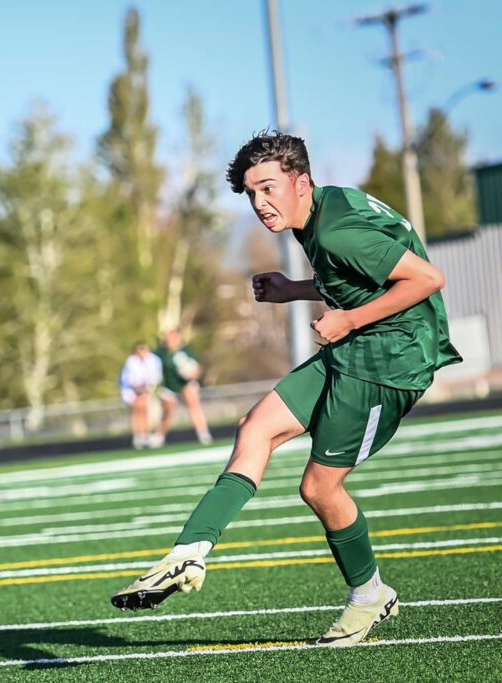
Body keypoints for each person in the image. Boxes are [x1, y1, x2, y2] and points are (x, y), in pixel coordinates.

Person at [111, 131, 461, 647]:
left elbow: (428, 279)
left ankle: (371, 595)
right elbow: (361, 275)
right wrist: (294, 290)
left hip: (390, 362)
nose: (259, 203)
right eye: (251, 193)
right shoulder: (321, 211)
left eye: (268, 188)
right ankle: (189, 553)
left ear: (301, 181)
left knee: (319, 488)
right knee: (255, 427)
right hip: (358, 345)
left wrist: (348, 320)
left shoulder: (336, 230)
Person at [154, 329, 213, 446]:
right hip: (169, 386)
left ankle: (203, 434)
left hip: (186, 384)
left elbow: (198, 369)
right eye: (168, 338)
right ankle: (159, 437)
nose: (170, 341)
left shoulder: (186, 351)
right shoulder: (161, 352)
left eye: (173, 338)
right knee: (168, 412)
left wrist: (193, 374)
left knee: (194, 405)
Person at [119, 343, 164, 449]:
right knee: (137, 410)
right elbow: (128, 378)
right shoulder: (131, 361)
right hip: (133, 390)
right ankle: (138, 435)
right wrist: (137, 386)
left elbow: (156, 377)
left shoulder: (154, 360)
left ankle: (146, 434)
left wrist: (147, 386)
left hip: (147, 389)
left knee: (145, 409)